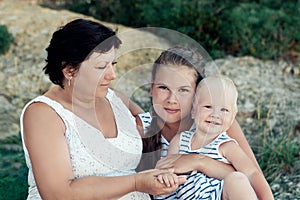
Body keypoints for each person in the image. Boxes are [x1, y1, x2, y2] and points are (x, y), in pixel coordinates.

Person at [20, 19, 187, 200]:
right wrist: (137, 182)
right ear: (69, 71)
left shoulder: (113, 97)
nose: (112, 75)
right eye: (101, 67)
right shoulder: (43, 114)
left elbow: (159, 127)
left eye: (113, 63)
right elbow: (58, 194)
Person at [156, 75, 274, 199]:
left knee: (237, 180)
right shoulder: (180, 140)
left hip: (218, 196)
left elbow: (252, 173)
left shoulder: (227, 146)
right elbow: (167, 166)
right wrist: (166, 175)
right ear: (193, 110)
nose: (215, 114)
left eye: (224, 110)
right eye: (208, 107)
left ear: (233, 117)